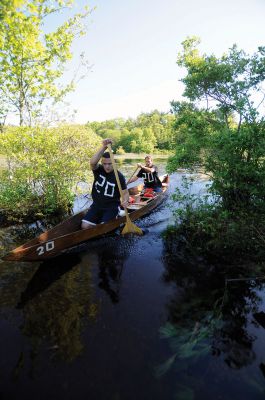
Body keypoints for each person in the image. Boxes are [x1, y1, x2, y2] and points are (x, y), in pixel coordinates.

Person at [81, 139, 129, 229]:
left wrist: (126, 200)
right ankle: (101, 221)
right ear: (102, 163)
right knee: (85, 226)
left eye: (110, 164)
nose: (107, 166)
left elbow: (125, 193)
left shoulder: (119, 176)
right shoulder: (98, 170)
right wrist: (104, 147)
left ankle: (117, 214)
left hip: (111, 207)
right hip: (97, 205)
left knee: (104, 228)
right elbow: (92, 162)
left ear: (114, 163)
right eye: (105, 164)